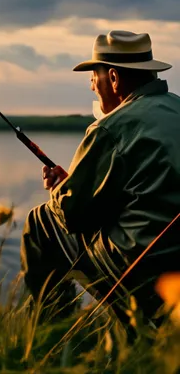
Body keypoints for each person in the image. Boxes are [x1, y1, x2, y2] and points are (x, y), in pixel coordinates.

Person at [20, 30, 180, 332]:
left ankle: (54, 341)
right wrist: (80, 184)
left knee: (42, 223)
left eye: (95, 76)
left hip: (145, 269)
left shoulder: (110, 128)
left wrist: (60, 192)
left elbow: (72, 215)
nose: (92, 84)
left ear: (114, 78)